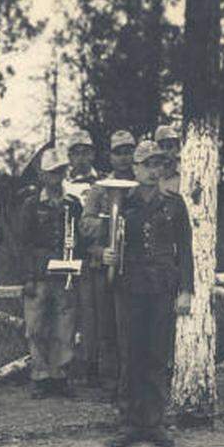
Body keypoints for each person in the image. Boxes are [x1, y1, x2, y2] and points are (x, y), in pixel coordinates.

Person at [102, 140, 193, 447]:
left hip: (162, 286)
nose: (154, 171)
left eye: (159, 165)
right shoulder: (121, 203)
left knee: (157, 355)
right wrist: (105, 254)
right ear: (136, 168)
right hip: (129, 286)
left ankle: (154, 423)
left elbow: (187, 251)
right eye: (148, 165)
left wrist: (186, 290)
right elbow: (101, 244)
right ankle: (128, 423)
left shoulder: (174, 203)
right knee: (129, 355)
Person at [17, 146, 84, 398]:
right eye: (52, 173)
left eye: (61, 171)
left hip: (65, 273)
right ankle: (40, 376)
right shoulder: (31, 205)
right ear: (42, 176)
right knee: (36, 326)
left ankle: (60, 375)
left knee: (64, 326)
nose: (57, 177)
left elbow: (80, 240)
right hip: (39, 274)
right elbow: (22, 244)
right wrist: (27, 277)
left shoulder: (73, 204)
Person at [77, 129, 134, 387]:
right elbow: (84, 226)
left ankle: (131, 376)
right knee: (104, 324)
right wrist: (107, 232)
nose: (124, 158)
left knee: (131, 324)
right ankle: (108, 378)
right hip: (103, 266)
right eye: (118, 153)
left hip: (135, 267)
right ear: (110, 157)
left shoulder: (141, 185)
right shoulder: (98, 189)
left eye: (128, 152)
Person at [155, 123, 182, 197]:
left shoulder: (183, 174)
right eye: (161, 147)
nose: (164, 151)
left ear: (177, 149)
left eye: (169, 147)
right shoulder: (153, 175)